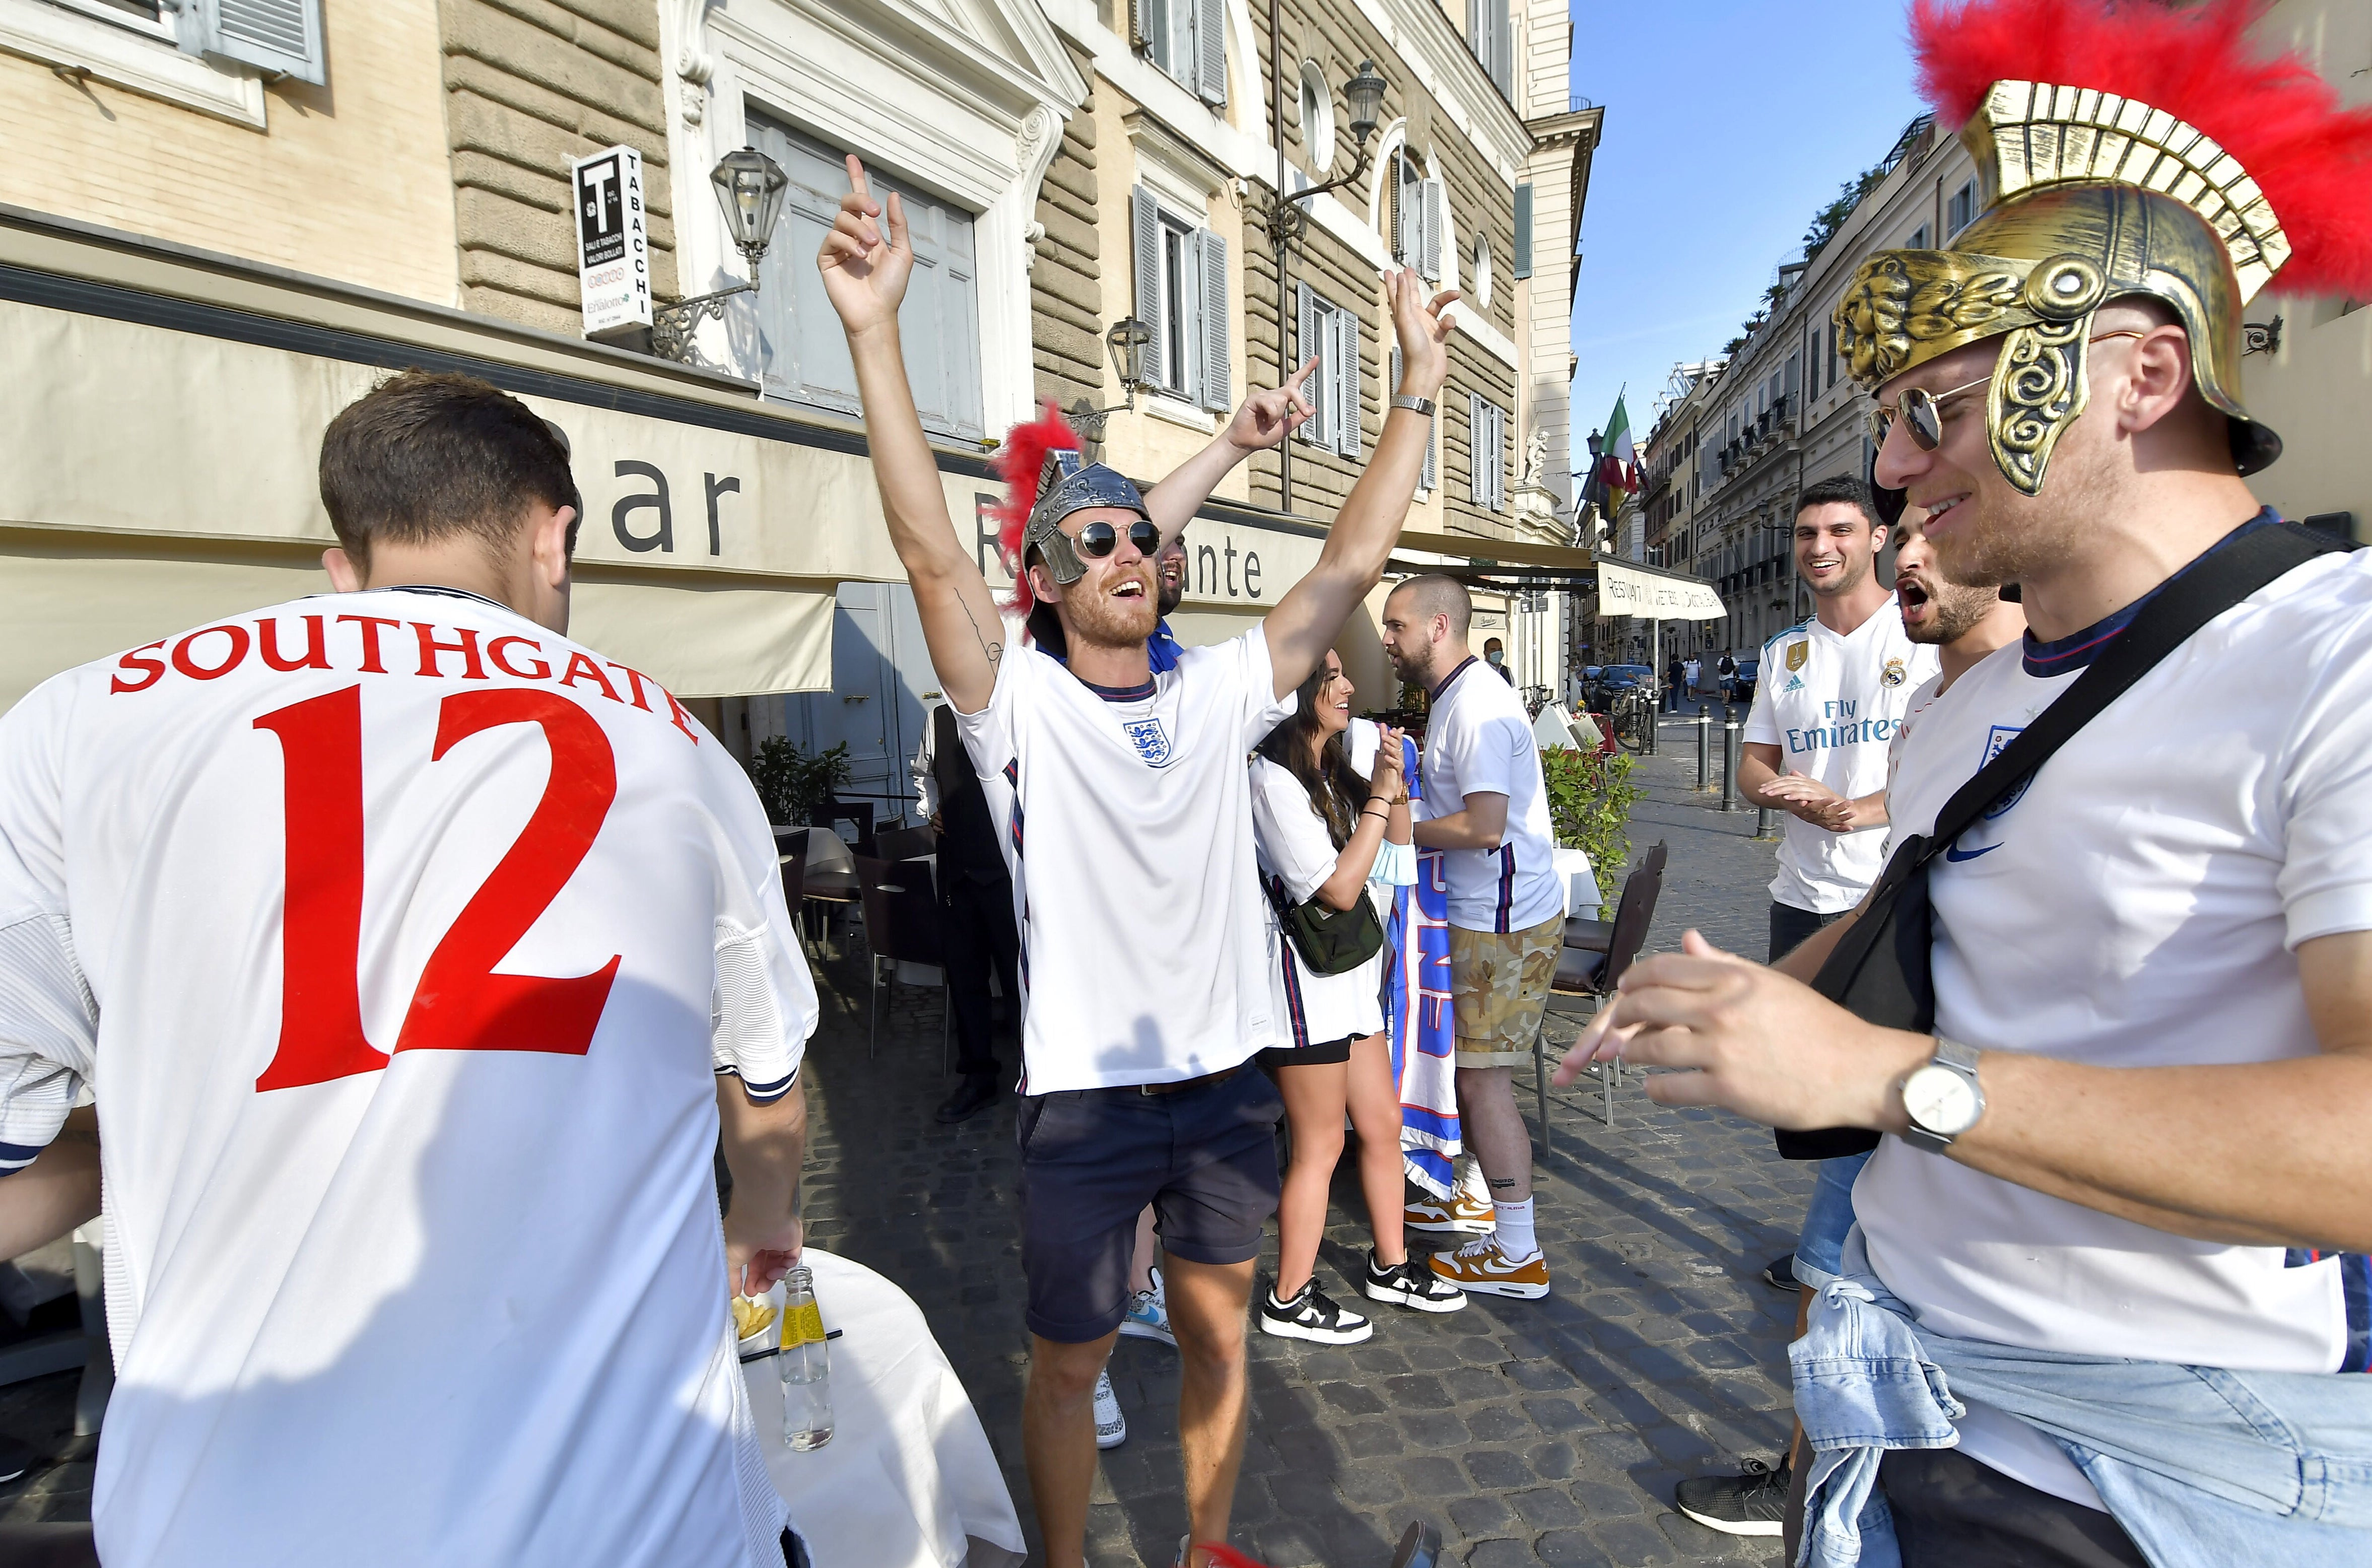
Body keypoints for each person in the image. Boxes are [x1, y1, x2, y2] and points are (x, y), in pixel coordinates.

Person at [1569, 2, 2372, 1560]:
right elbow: (1935, 944)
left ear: (2139, 376)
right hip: (1899, 1401)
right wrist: (1742, 991)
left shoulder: (2337, 660)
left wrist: (1887, 1083)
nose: (1890, 467)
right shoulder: (1970, 699)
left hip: (2152, 1467)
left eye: (1929, 406)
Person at [0, 370, 816, 1564]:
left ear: (346, 561)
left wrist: (182, 1123)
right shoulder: (680, 748)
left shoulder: (73, 728)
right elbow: (768, 1101)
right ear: (555, 536)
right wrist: (764, 1214)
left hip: (221, 1527)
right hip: (635, 1525)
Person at [817, 151, 1457, 1568]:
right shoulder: (1017, 711)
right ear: (1044, 581)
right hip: (1089, 1107)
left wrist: (1415, 380)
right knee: (1066, 1364)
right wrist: (875, 332)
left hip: (1225, 1088)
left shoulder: (1213, 692)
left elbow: (1348, 564)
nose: (1122, 548)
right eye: (1088, 538)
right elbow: (929, 555)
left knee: (1224, 1345)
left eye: (1137, 537)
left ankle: (1204, 1550)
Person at [1671, 501, 2022, 1538]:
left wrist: (1903, 1084)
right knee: (1836, 1232)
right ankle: (1817, 1478)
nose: (1908, 549)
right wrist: (1768, 996)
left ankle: (1803, 1475)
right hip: (1843, 929)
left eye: (1932, 519)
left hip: (1939, 1053)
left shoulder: (2026, 689)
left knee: (1837, 1259)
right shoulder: (1896, 694)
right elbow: (1892, 879)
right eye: (1900, 522)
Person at [1734, 475, 1937, 1290]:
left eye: (1839, 530)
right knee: (1808, 1096)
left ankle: (1837, 1257)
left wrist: (1866, 807)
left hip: (1885, 898)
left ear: (1878, 538)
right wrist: (1779, 791)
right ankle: (1847, 1243)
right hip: (1799, 894)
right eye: (1805, 533)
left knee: (1880, 1088)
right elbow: (1753, 763)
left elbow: (1951, 756)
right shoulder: (1780, 653)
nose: (1819, 546)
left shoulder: (1919, 633)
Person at [1250, 652, 1466, 1344]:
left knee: (1379, 1124)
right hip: (1304, 987)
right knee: (1319, 1143)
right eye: (1333, 676)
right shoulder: (1270, 779)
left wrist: (1395, 791)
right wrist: (1377, 798)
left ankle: (1390, 1263)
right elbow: (1336, 889)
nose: (1349, 687)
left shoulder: (1335, 774)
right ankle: (1287, 1297)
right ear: (1296, 693)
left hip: (1353, 982)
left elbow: (1393, 867)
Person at [1381, 575, 1563, 1300]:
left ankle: (1517, 1250)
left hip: (1501, 918)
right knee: (1476, 1074)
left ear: (1437, 625)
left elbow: (1484, 827)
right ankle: (1480, 1199)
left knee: (1482, 1082)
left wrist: (1394, 828)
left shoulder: (1478, 705)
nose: (1386, 641)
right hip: (1493, 911)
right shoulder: (1461, 694)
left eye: (1395, 627)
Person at [915, 698, 1022, 1126]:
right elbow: (923, 772)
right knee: (964, 978)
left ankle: (1044, 1076)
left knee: (1023, 978)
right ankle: (978, 1076)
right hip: (957, 868)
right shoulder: (938, 719)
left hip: (1012, 870)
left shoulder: (1020, 708)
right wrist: (932, 809)